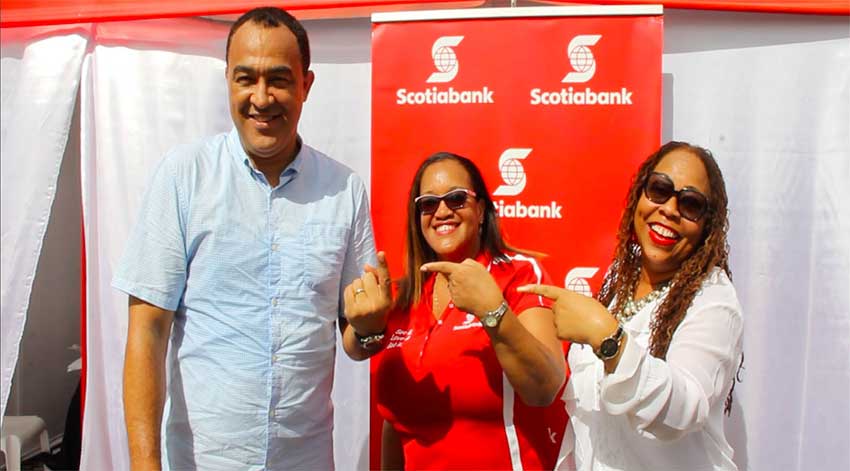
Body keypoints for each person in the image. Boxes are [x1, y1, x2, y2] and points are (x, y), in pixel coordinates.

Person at [113, 7, 376, 470]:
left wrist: (372, 326)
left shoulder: (344, 190)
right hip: (203, 461)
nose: (262, 97)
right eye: (245, 78)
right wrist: (144, 465)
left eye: (278, 79)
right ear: (228, 81)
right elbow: (147, 332)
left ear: (306, 86)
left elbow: (355, 342)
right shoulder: (184, 177)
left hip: (306, 459)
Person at [519, 141, 744, 470]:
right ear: (641, 193)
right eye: (659, 189)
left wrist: (609, 341)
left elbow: (684, 408)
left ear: (707, 226)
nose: (669, 208)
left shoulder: (713, 300)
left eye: (691, 203)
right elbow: (589, 423)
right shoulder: (620, 277)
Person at [343, 152, 569, 470]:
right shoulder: (404, 294)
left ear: (481, 211)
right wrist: (366, 328)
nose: (442, 211)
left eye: (457, 199)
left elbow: (545, 388)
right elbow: (392, 419)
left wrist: (494, 312)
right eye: (428, 203)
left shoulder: (518, 274)